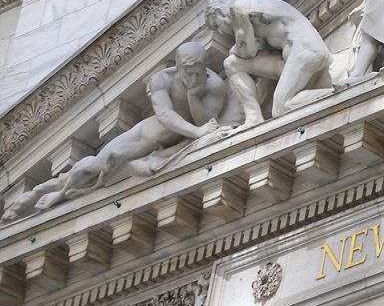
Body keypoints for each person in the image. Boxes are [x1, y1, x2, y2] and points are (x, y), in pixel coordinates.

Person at [1, 44, 241, 220]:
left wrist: (193, 95)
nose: (195, 76)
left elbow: (206, 122)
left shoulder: (213, 85)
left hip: (161, 146)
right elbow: (166, 116)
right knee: (88, 168)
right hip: (144, 135)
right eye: (189, 71)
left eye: (199, 71)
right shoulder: (162, 80)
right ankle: (60, 194)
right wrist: (197, 132)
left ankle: (87, 184)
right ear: (178, 67)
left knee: (117, 161)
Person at [204, 0, 333, 127]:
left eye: (217, 25)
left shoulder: (239, 7)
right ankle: (253, 118)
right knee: (232, 64)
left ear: (219, 12)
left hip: (304, 52)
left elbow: (247, 50)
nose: (221, 32)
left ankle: (334, 93)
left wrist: (234, 50)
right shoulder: (258, 8)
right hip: (296, 57)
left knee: (281, 108)